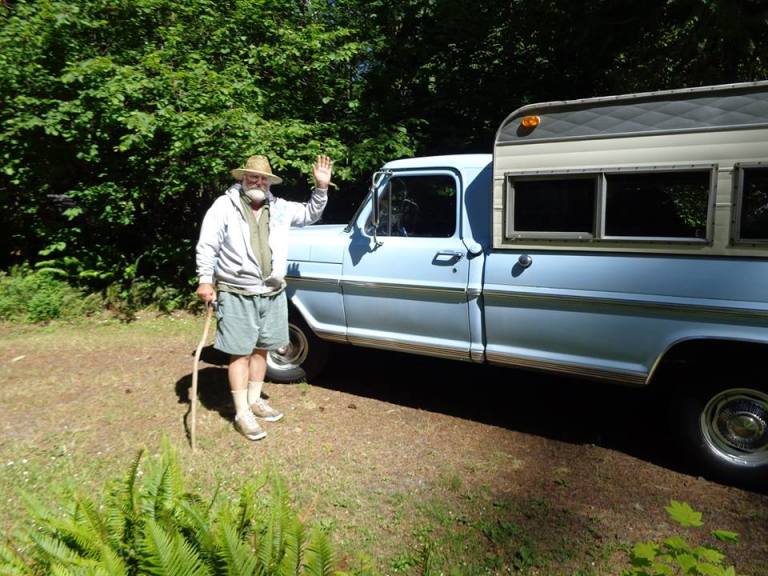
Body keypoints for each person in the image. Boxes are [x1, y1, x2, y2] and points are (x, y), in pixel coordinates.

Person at [196, 154, 333, 440]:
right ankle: (241, 412)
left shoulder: (280, 208)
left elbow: (310, 214)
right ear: (243, 179)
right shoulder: (224, 206)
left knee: (262, 349)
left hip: (271, 292)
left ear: (269, 183)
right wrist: (205, 280)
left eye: (263, 179)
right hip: (237, 291)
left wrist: (321, 187)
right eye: (253, 177)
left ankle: (254, 399)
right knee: (240, 352)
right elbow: (207, 244)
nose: (258, 182)